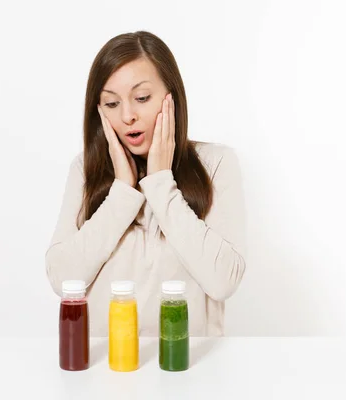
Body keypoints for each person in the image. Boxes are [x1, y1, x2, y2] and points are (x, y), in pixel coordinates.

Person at [45, 31, 246, 337]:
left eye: (142, 98)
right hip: (106, 369)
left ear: (171, 97)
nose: (128, 116)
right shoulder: (85, 170)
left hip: (187, 368)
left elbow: (223, 281)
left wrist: (160, 183)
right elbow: (62, 280)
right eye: (112, 103)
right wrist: (123, 192)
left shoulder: (215, 164)